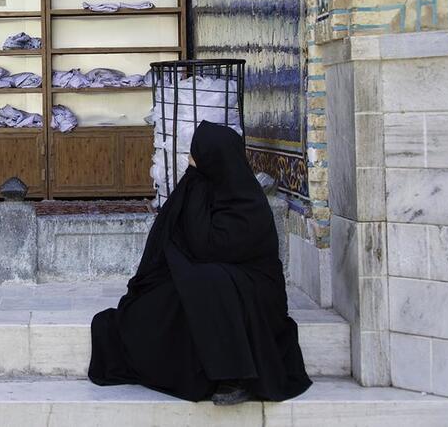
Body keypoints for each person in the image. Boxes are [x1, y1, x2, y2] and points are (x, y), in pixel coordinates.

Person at [88, 120, 311, 405]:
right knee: (165, 301)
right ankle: (205, 370)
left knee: (209, 283)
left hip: (256, 289)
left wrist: (193, 188)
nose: (191, 165)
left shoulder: (248, 204)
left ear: (215, 159)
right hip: (209, 280)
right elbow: (172, 240)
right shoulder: (200, 188)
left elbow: (208, 247)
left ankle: (234, 375)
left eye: (196, 158)